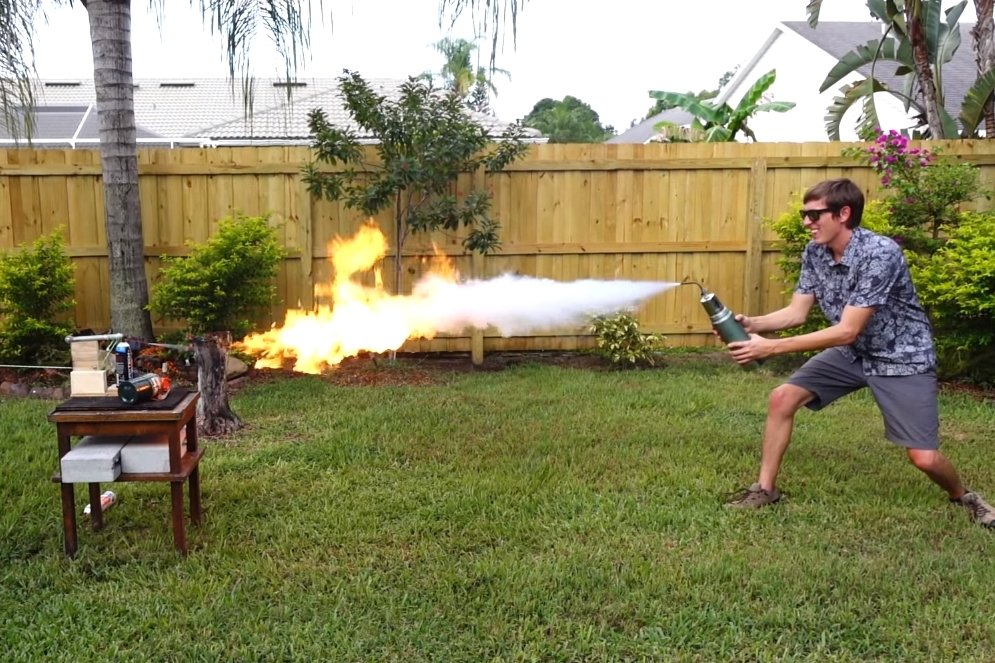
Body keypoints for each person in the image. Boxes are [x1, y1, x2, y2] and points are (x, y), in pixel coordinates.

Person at [722, 177, 994, 528]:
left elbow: (848, 328)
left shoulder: (879, 253)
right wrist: (753, 323)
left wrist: (771, 347)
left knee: (924, 458)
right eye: (805, 214)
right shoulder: (815, 252)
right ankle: (765, 489)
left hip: (901, 357)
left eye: (814, 214)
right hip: (853, 353)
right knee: (782, 398)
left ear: (844, 213)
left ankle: (963, 496)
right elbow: (796, 313)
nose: (806, 222)